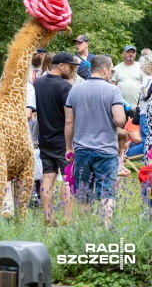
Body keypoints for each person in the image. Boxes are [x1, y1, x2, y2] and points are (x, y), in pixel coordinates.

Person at [65, 55, 126, 228]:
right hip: (106, 150)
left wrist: (69, 147)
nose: (111, 74)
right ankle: (106, 228)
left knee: (84, 192)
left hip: (82, 149)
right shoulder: (113, 90)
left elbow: (69, 122)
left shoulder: (75, 90)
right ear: (105, 69)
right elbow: (120, 120)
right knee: (107, 191)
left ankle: (85, 230)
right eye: (111, 70)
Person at [33, 52, 77, 227]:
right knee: (68, 179)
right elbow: (69, 119)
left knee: (47, 178)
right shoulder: (65, 87)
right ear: (61, 66)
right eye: (71, 66)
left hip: (44, 138)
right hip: (62, 140)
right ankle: (67, 218)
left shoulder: (38, 83)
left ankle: (48, 217)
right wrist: (69, 145)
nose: (72, 70)